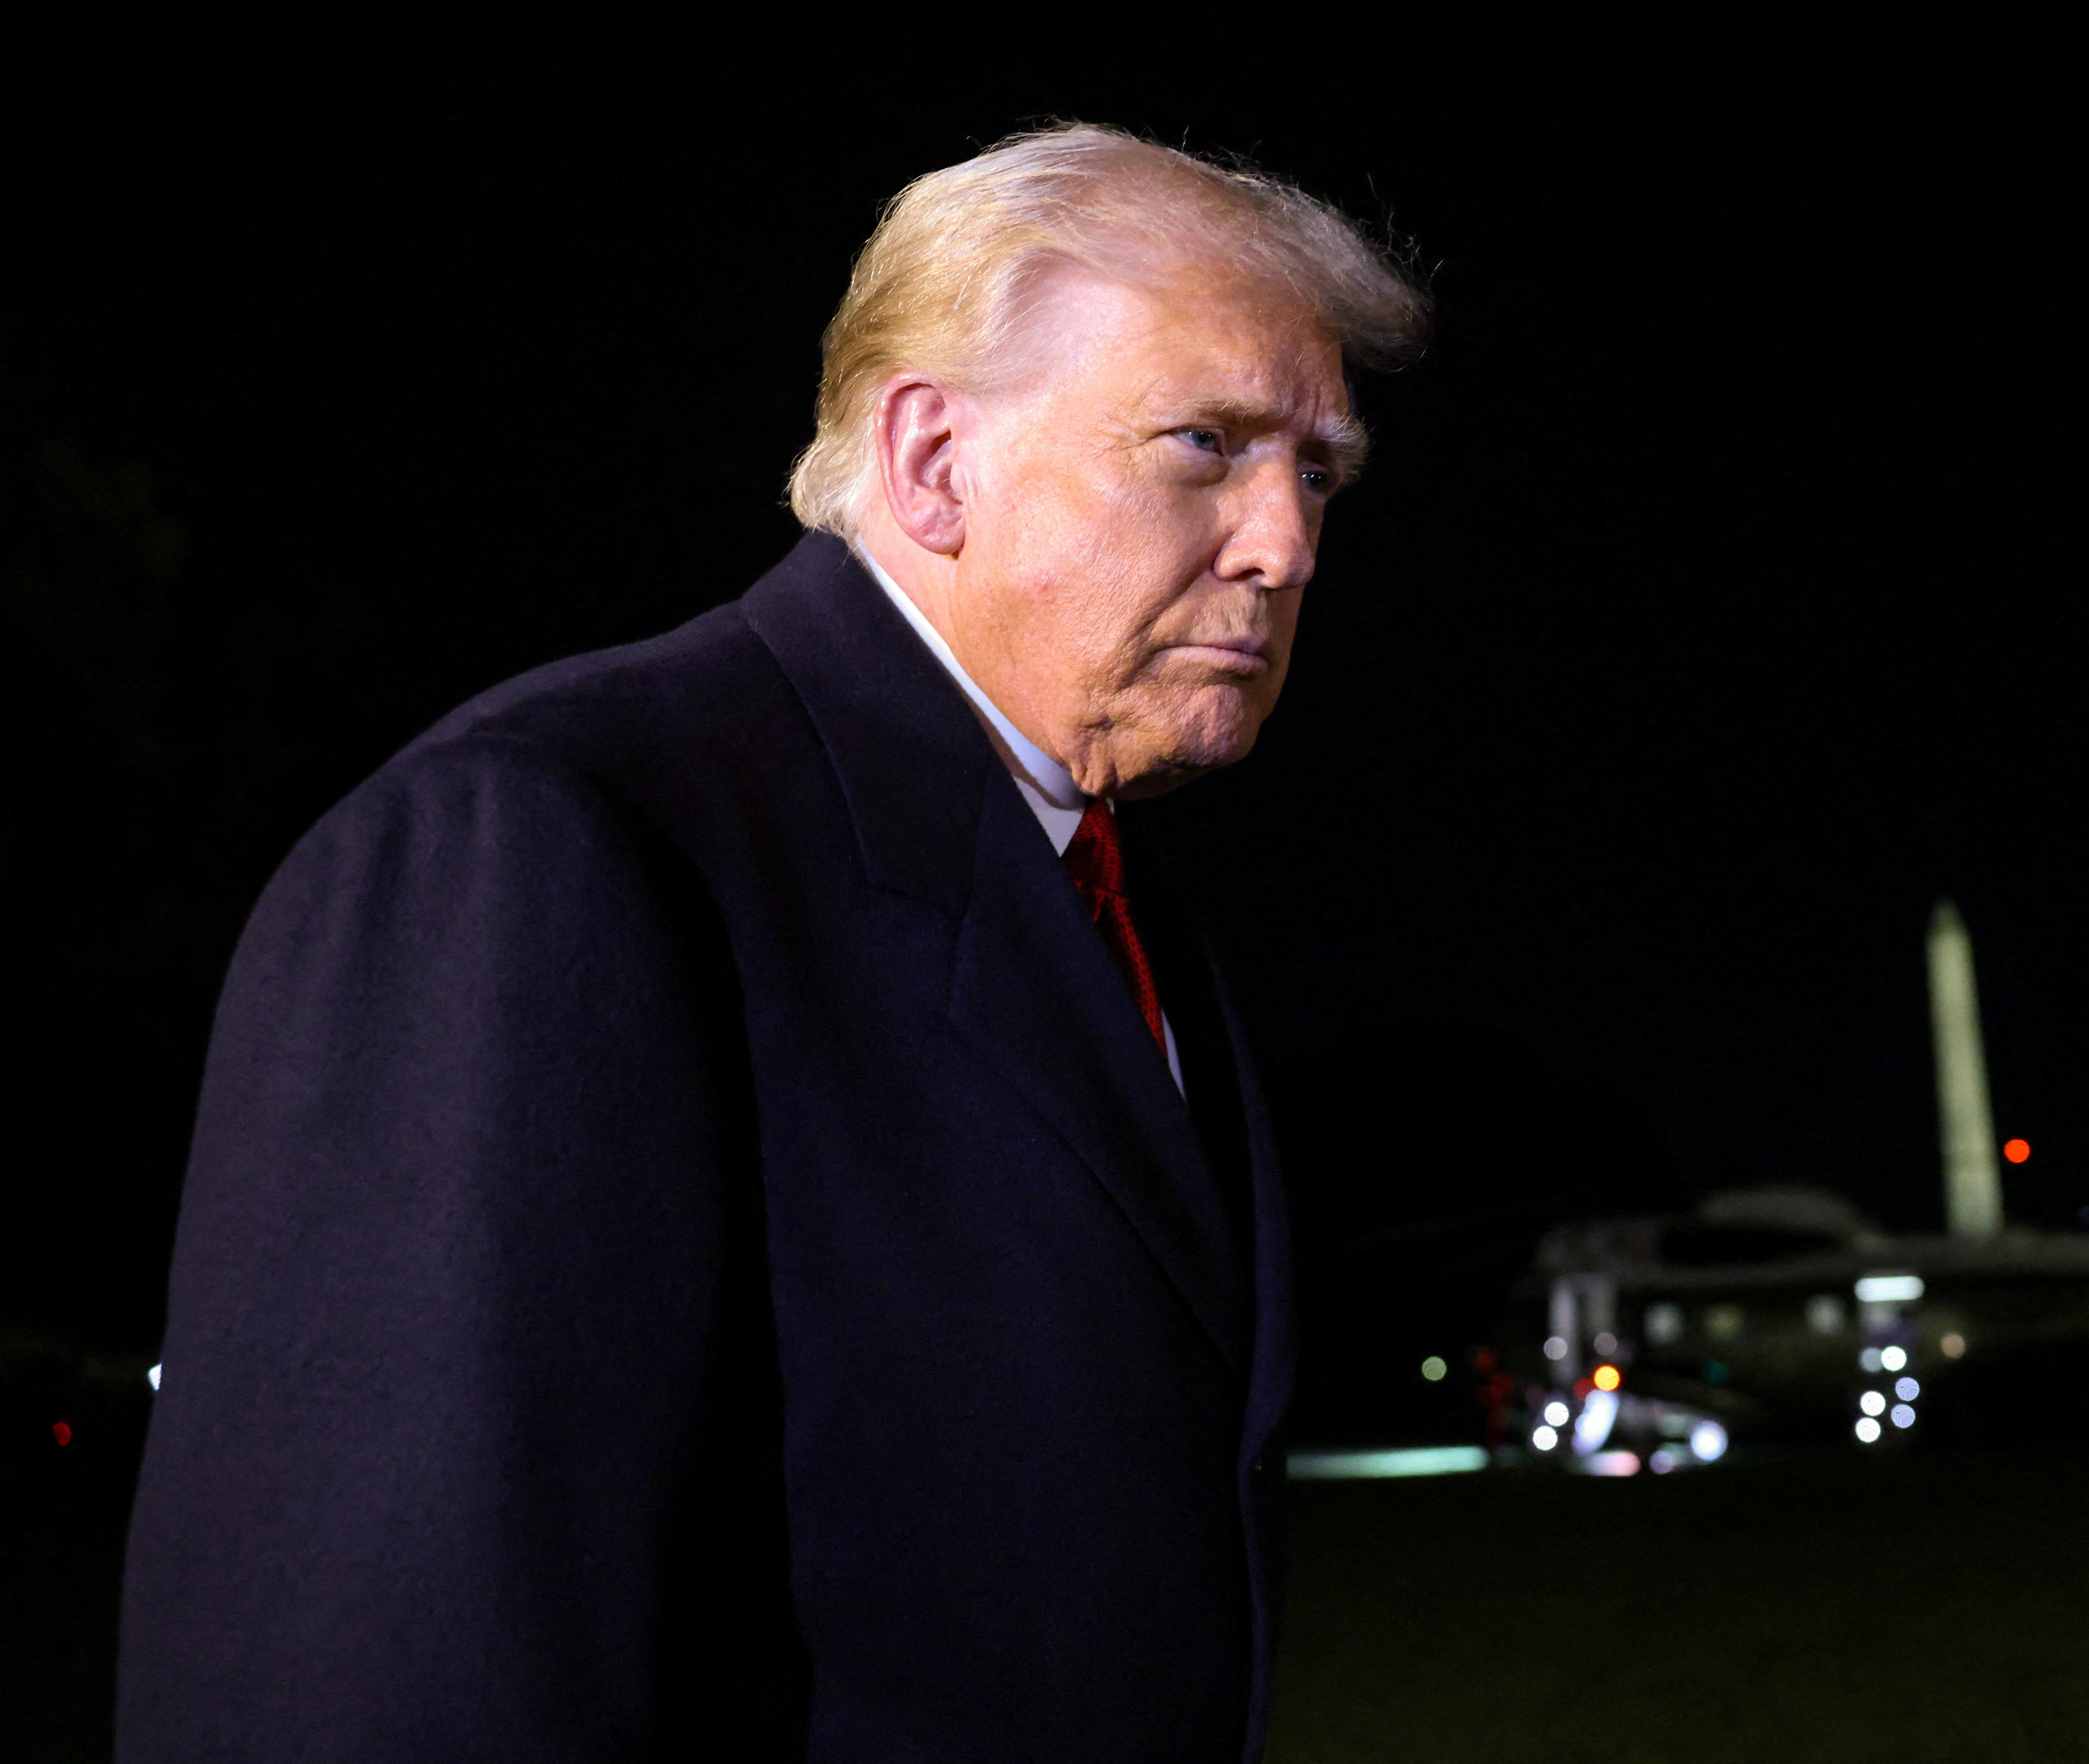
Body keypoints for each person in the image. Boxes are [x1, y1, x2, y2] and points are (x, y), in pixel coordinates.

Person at [116, 124, 1426, 1761]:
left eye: (1318, 470)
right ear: (934, 462)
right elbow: (374, 1673)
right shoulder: (541, 847)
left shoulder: (1107, 883)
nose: (1286, 543)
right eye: (1204, 443)